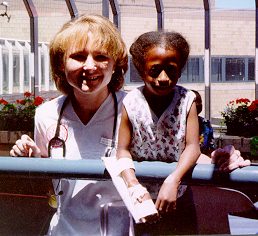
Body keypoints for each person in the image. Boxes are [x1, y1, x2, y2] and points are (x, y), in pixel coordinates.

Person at [113, 31, 251, 235]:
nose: (163, 78)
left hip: (180, 194)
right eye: (155, 70)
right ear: (142, 70)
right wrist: (133, 185)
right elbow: (122, 150)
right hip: (140, 200)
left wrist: (173, 179)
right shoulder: (131, 102)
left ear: (180, 71)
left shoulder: (187, 101)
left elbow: (192, 146)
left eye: (171, 70)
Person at [10, 14, 129, 235]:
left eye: (101, 56)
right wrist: (34, 159)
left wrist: (213, 158)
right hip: (64, 229)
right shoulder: (46, 114)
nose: (90, 66)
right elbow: (49, 189)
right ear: (61, 65)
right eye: (79, 56)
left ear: (116, 65)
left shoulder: (133, 111)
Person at [192, 89, 216, 155]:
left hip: (202, 160)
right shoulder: (178, 124)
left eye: (198, 104)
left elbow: (211, 146)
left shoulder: (205, 123)